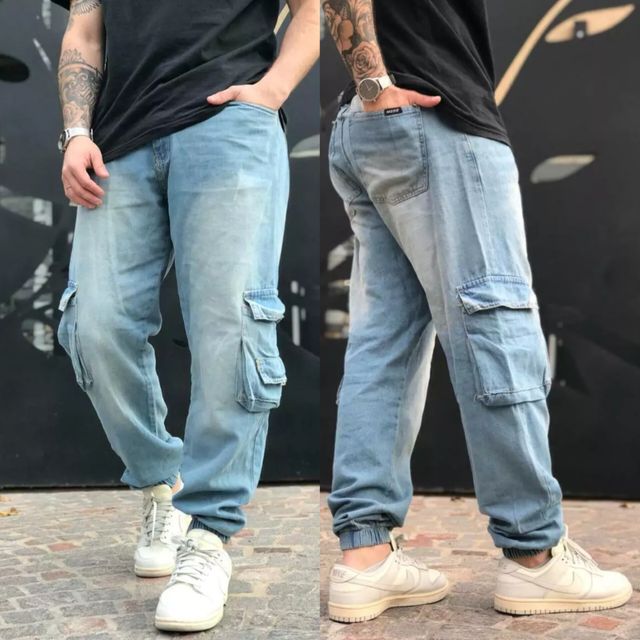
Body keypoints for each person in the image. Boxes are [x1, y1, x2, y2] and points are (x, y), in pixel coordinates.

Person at [323, 0, 632, 623]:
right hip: (432, 115)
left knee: (385, 342)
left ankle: (366, 555)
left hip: (367, 124)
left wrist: (370, 86)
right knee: (495, 322)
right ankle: (534, 555)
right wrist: (376, 81)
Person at [54, 0, 318, 632]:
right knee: (94, 326)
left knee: (231, 328)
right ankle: (160, 484)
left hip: (228, 126)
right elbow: (84, 29)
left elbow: (315, 9)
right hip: (119, 138)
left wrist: (270, 92)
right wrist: (76, 132)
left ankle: (208, 536)